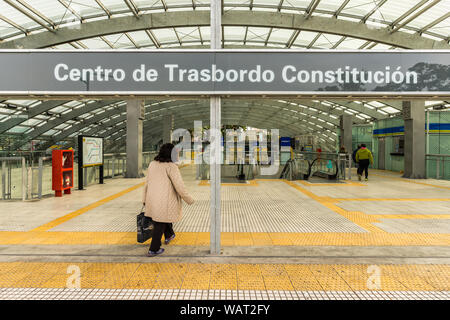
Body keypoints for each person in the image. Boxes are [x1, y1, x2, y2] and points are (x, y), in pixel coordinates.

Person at [142, 143, 194, 257]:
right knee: (160, 223)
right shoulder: (171, 166)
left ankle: (169, 235)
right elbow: (179, 186)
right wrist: (189, 199)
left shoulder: (152, 164)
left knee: (162, 217)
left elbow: (147, 183)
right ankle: (153, 249)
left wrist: (144, 198)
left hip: (152, 198)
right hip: (164, 200)